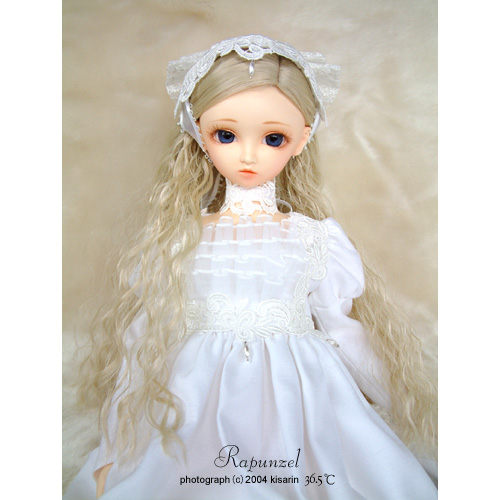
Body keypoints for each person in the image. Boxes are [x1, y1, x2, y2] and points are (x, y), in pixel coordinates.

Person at [64, 35, 437, 500]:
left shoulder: (314, 237)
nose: (247, 155)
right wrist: (114, 445)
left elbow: (342, 329)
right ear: (200, 133)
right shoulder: (179, 237)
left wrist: (395, 399)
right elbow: (144, 338)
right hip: (196, 394)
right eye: (226, 134)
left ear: (302, 139)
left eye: (273, 138)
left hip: (299, 394)